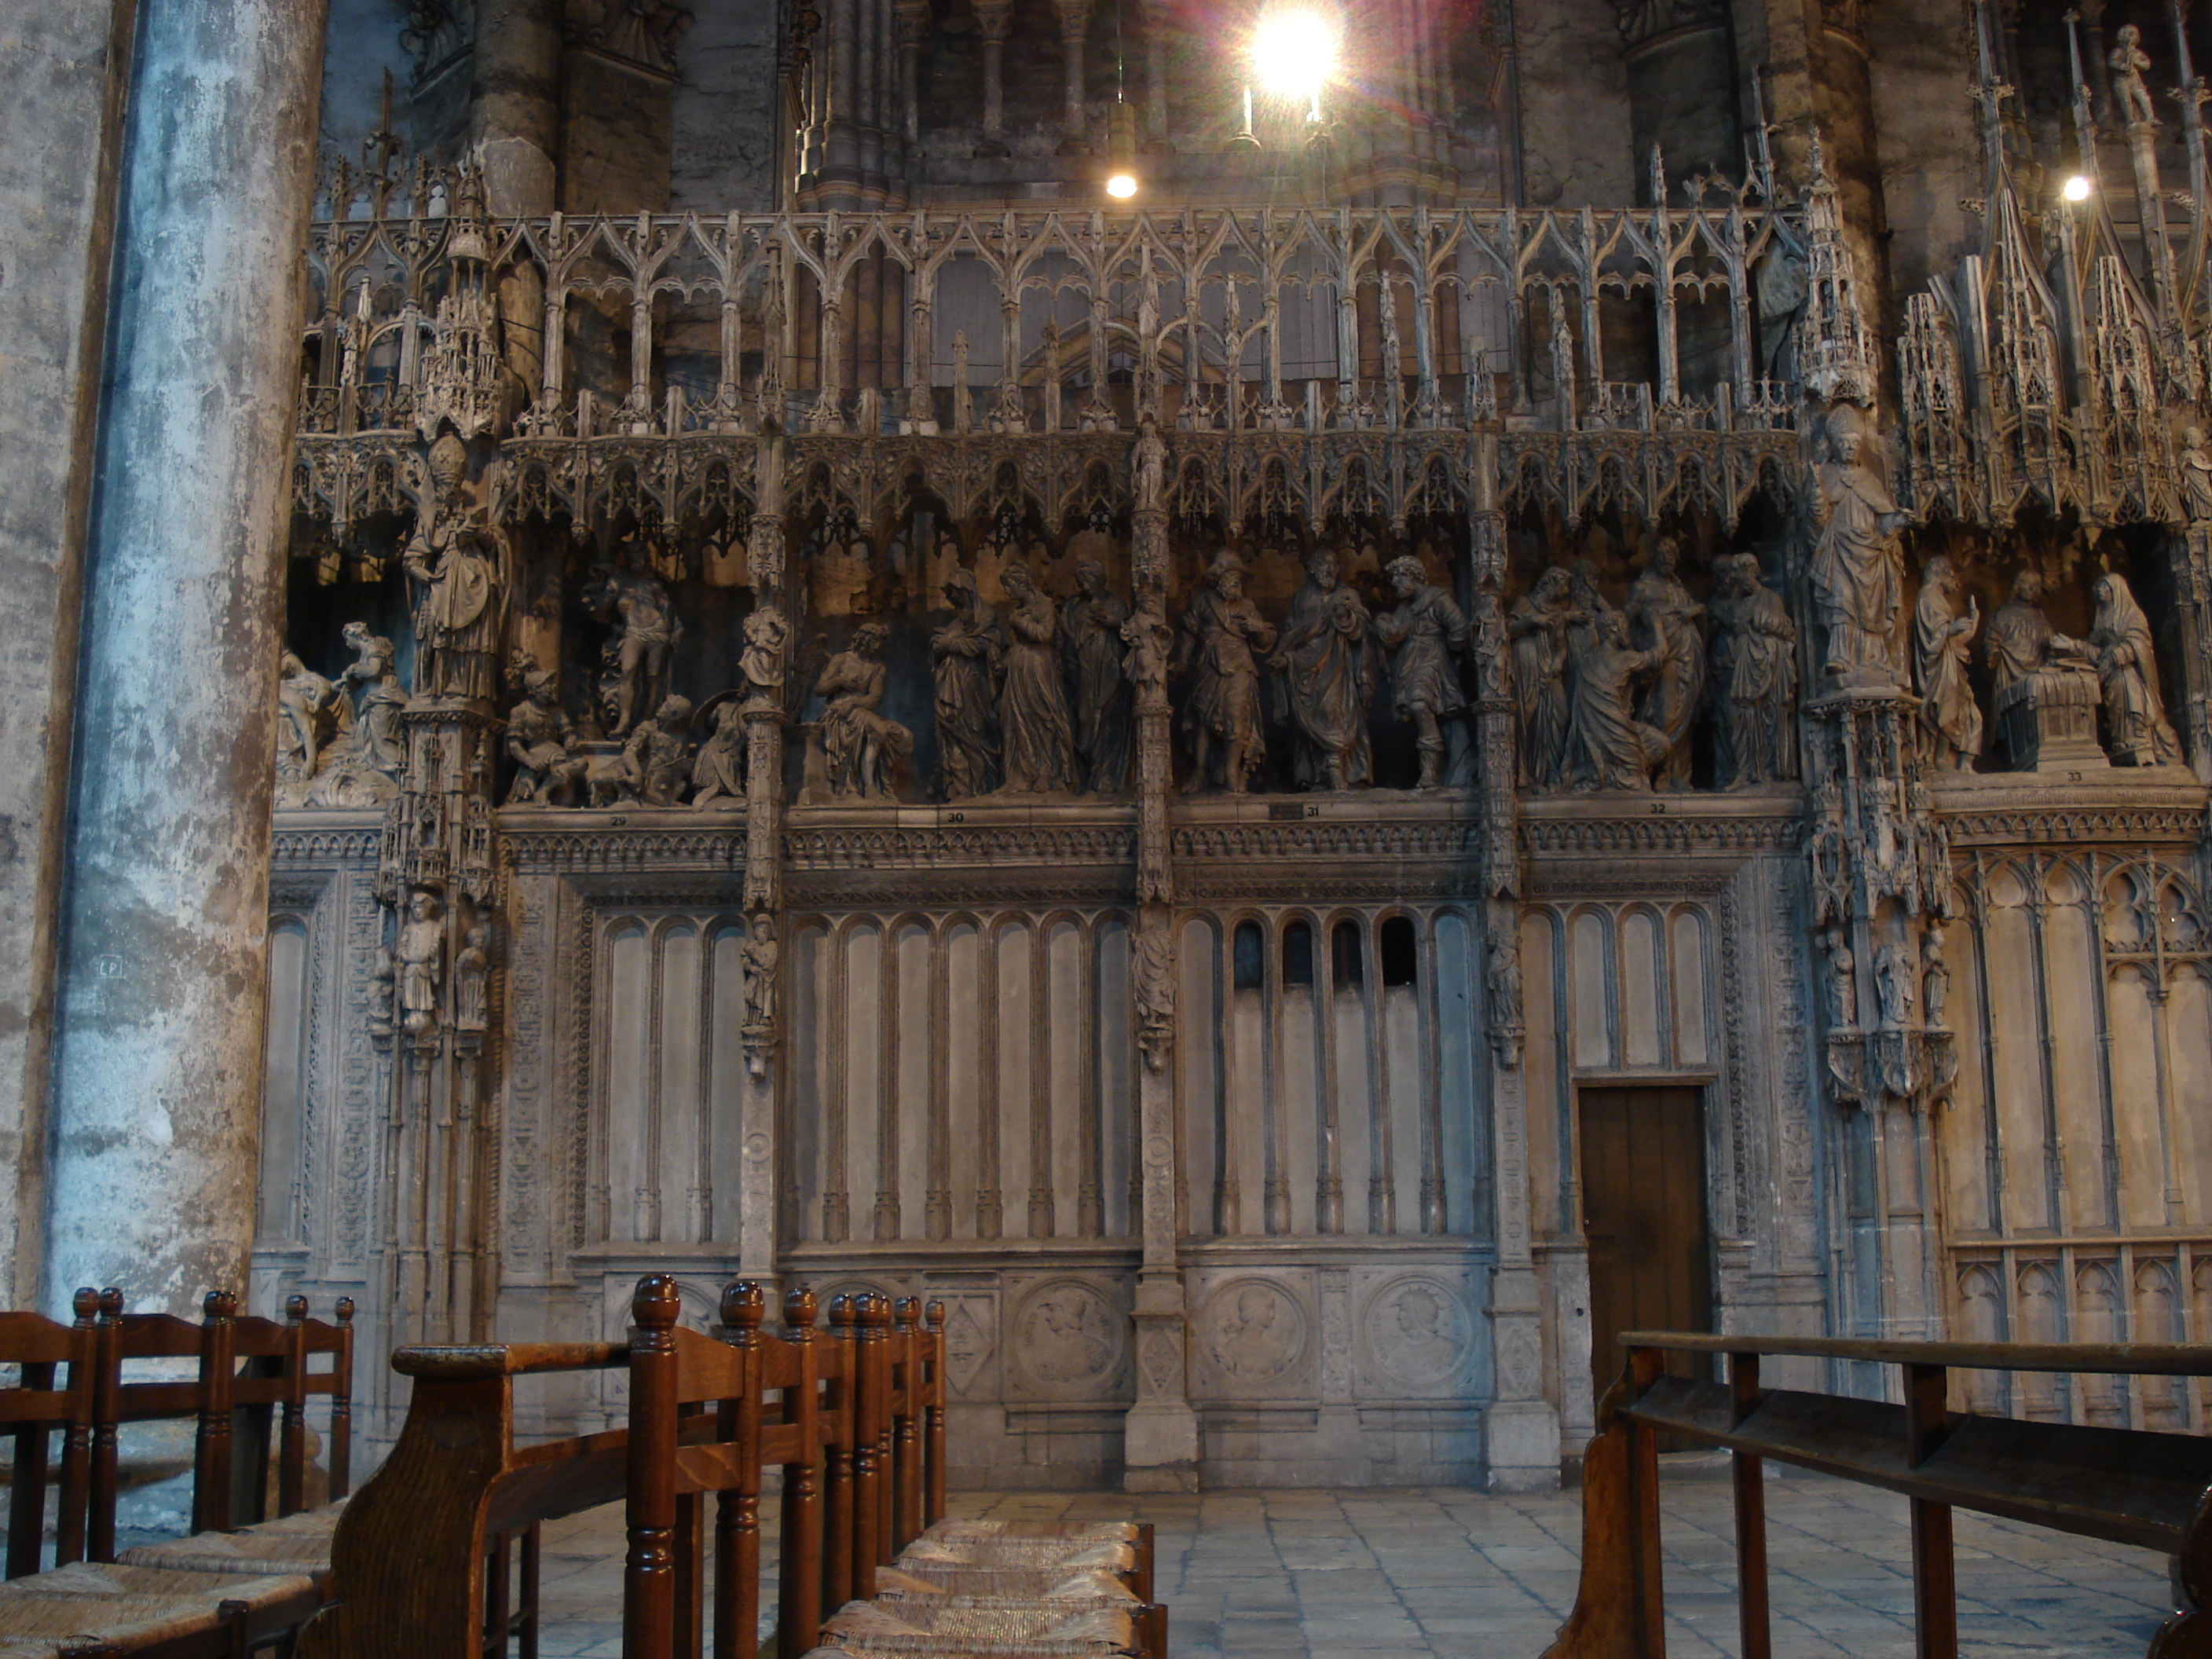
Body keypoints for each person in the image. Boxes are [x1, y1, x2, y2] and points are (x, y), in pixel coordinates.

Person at [1808, 405, 1909, 682]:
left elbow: (1885, 522)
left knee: (1872, 609)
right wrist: (1817, 492)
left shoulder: (1870, 480)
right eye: (1844, 443)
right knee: (1843, 601)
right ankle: (1840, 657)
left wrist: (1898, 521)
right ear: (1836, 446)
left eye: (1855, 443)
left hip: (1871, 553)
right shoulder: (1827, 476)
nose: (1850, 448)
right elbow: (1818, 520)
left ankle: (1874, 660)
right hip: (1839, 549)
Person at [1269, 547, 1376, 790]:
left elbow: (1363, 630)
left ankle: (1337, 768)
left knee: (1335, 711)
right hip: (1305, 667)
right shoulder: (1302, 598)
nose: (1328, 568)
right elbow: (1291, 630)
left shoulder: (1347, 595)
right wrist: (1286, 656)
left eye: (1333, 563)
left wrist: (1346, 617)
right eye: (1322, 563)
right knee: (1309, 718)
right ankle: (1317, 776)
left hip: (1337, 663)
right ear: (1312, 569)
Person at [1175, 555, 1276, 793]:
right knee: (1203, 716)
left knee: (1236, 716)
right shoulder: (1202, 602)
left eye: (1239, 582)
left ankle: (1232, 771)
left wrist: (1258, 628)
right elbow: (1189, 632)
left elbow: (1265, 638)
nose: (1236, 586)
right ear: (1219, 580)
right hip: (1209, 665)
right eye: (1232, 580)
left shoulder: (1247, 606)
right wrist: (1181, 661)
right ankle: (1199, 771)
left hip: (1240, 666)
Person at [1373, 555, 1471, 789]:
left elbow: (1459, 627)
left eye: (1398, 578)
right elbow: (1393, 636)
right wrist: (1382, 624)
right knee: (1417, 711)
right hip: (1410, 663)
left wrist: (1451, 652)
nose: (1395, 584)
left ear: (1411, 577)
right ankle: (1432, 772)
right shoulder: (1405, 608)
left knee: (1419, 704)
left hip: (1433, 661)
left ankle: (1430, 773)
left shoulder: (1438, 600)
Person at [1708, 555, 1800, 786]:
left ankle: (1769, 773)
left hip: (1767, 665)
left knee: (1770, 718)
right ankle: (1748, 772)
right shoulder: (1737, 602)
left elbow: (1784, 629)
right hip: (1745, 666)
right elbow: (1722, 614)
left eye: (1740, 574)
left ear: (1752, 571)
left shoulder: (1770, 597)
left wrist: (1763, 626)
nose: (1737, 580)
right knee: (1742, 717)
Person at [1622, 537, 1705, 789]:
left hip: (1688, 658)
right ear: (1655, 558)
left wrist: (1696, 610)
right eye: (1664, 555)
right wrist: (1631, 655)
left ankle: (1680, 776)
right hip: (1663, 659)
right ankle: (1657, 773)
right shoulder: (1644, 588)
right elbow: (1625, 620)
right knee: (1664, 714)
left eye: (1673, 555)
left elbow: (1698, 610)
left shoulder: (1679, 588)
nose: (1669, 559)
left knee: (1685, 718)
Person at [1564, 610, 1668, 792]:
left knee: (1652, 742)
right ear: (1614, 629)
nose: (1627, 632)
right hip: (1616, 730)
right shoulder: (1624, 658)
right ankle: (1621, 771)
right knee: (1661, 743)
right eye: (1624, 628)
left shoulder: (1587, 662)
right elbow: (1659, 655)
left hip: (1595, 734)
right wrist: (1656, 622)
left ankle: (1607, 770)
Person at [998, 564, 1078, 793]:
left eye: (1010, 586)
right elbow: (1017, 644)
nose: (1007, 592)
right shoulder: (1020, 609)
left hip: (1038, 669)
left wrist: (1018, 622)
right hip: (1018, 671)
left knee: (1041, 717)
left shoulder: (1044, 605)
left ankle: (1047, 773)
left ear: (1023, 584)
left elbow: (1044, 634)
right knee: (1012, 718)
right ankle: (1019, 776)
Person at [2089, 572, 2181, 765]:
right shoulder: (2101, 618)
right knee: (2116, 711)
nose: (2100, 590)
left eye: (2105, 586)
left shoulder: (2132, 614)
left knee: (2132, 705)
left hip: (2128, 672)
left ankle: (2138, 740)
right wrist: (2072, 646)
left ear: (2118, 591)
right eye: (2099, 586)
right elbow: (2096, 648)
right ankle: (2121, 743)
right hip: (2109, 674)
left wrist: (2122, 652)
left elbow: (2141, 642)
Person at [817, 623, 912, 798]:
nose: (877, 647)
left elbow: (873, 699)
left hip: (859, 709)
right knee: (877, 729)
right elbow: (820, 689)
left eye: (879, 643)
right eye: (874, 641)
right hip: (838, 713)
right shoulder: (841, 660)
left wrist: (853, 702)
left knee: (901, 734)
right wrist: (839, 681)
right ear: (863, 639)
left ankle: (873, 785)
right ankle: (866, 787)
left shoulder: (877, 668)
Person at [1060, 560, 1132, 793]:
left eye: (1089, 581)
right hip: (1083, 669)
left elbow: (1131, 632)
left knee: (1108, 718)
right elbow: (1066, 636)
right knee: (1085, 718)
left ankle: (1106, 775)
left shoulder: (1115, 603)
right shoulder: (1073, 607)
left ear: (1099, 580)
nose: (1085, 586)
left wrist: (1111, 622)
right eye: (1081, 582)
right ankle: (1084, 775)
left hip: (1110, 667)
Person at [932, 569, 1003, 799]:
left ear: (968, 591)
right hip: (949, 687)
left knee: (977, 732)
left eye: (957, 593)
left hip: (974, 684)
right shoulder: (954, 624)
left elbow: (982, 646)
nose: (954, 599)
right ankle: (960, 789)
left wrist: (949, 644)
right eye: (951, 594)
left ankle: (984, 788)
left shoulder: (986, 618)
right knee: (953, 735)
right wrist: (944, 644)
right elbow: (937, 649)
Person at [1507, 567, 1573, 789]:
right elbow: (1507, 631)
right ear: (1550, 583)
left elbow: (1561, 647)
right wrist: (1531, 621)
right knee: (1527, 714)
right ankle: (1522, 772)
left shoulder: (1559, 614)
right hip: (1527, 664)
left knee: (1560, 716)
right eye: (1563, 586)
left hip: (1549, 668)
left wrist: (1558, 661)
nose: (1565, 592)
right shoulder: (1525, 603)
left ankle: (1550, 772)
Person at [1914, 555, 1983, 771]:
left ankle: (1961, 763)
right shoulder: (1928, 596)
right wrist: (1951, 629)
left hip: (1951, 666)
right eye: (1952, 575)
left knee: (1966, 713)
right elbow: (1932, 640)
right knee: (1945, 712)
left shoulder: (1938, 599)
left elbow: (1953, 643)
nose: (1956, 581)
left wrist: (1974, 620)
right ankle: (1942, 760)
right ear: (1940, 574)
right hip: (1938, 670)